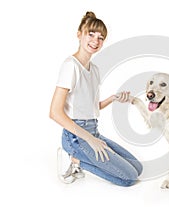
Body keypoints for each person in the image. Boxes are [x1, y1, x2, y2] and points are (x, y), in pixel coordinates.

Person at [49, 11, 142, 186]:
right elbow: (55, 112)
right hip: (76, 136)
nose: (95, 41)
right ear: (79, 34)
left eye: (100, 37)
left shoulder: (95, 70)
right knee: (128, 178)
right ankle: (74, 159)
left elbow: (92, 107)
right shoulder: (70, 66)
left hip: (94, 130)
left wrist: (113, 98)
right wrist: (90, 140)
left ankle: (80, 158)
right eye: (90, 34)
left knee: (137, 168)